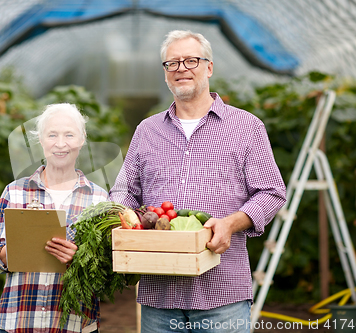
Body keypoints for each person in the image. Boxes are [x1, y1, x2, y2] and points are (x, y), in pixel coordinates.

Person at [109, 30, 286, 333]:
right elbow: (124, 191)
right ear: (165, 73)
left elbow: (271, 192)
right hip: (159, 294)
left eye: (191, 60)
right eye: (172, 63)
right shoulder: (147, 130)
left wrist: (230, 223)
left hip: (222, 293)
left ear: (209, 67)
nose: (181, 69)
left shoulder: (246, 127)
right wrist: (124, 220)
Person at [0, 103, 108, 333]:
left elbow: (106, 274)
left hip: (74, 325)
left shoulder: (99, 199)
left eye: (69, 135)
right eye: (52, 135)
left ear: (82, 140)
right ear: (41, 141)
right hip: (20, 321)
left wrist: (79, 260)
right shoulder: (15, 192)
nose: (60, 144)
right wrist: (12, 252)